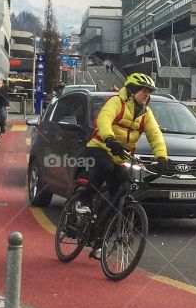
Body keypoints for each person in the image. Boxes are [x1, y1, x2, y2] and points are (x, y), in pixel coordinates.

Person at [72, 72, 171, 251]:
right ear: (132, 91)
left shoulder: (146, 113)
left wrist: (162, 157)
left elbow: (155, 135)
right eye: (144, 91)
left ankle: (98, 238)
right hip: (100, 146)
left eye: (149, 91)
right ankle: (83, 201)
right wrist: (110, 138)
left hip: (121, 154)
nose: (147, 94)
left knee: (117, 197)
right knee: (104, 167)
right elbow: (104, 120)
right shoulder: (116, 102)